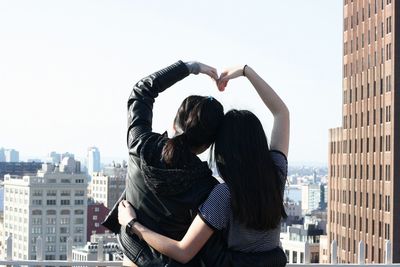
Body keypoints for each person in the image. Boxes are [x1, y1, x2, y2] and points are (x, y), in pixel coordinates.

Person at [118, 64, 290, 267]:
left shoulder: (222, 195)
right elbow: (281, 113)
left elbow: (184, 251)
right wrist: (245, 71)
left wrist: (132, 224)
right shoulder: (276, 174)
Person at [102, 60, 224, 266]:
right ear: (207, 145)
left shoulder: (141, 146)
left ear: (174, 123)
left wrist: (190, 67)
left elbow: (141, 92)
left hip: (132, 259)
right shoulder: (207, 188)